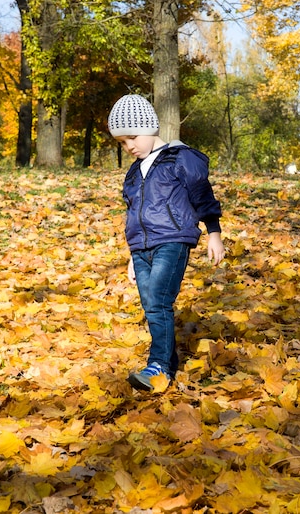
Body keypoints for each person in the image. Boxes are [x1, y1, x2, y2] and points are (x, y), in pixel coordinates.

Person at [108, 93, 225, 393]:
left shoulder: (180, 158)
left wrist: (214, 232)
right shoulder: (134, 172)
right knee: (151, 304)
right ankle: (167, 363)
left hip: (172, 240)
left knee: (159, 298)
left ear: (150, 127)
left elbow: (202, 195)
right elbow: (133, 213)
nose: (129, 146)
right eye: (122, 142)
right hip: (141, 248)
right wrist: (130, 255)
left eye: (132, 137)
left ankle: (157, 366)